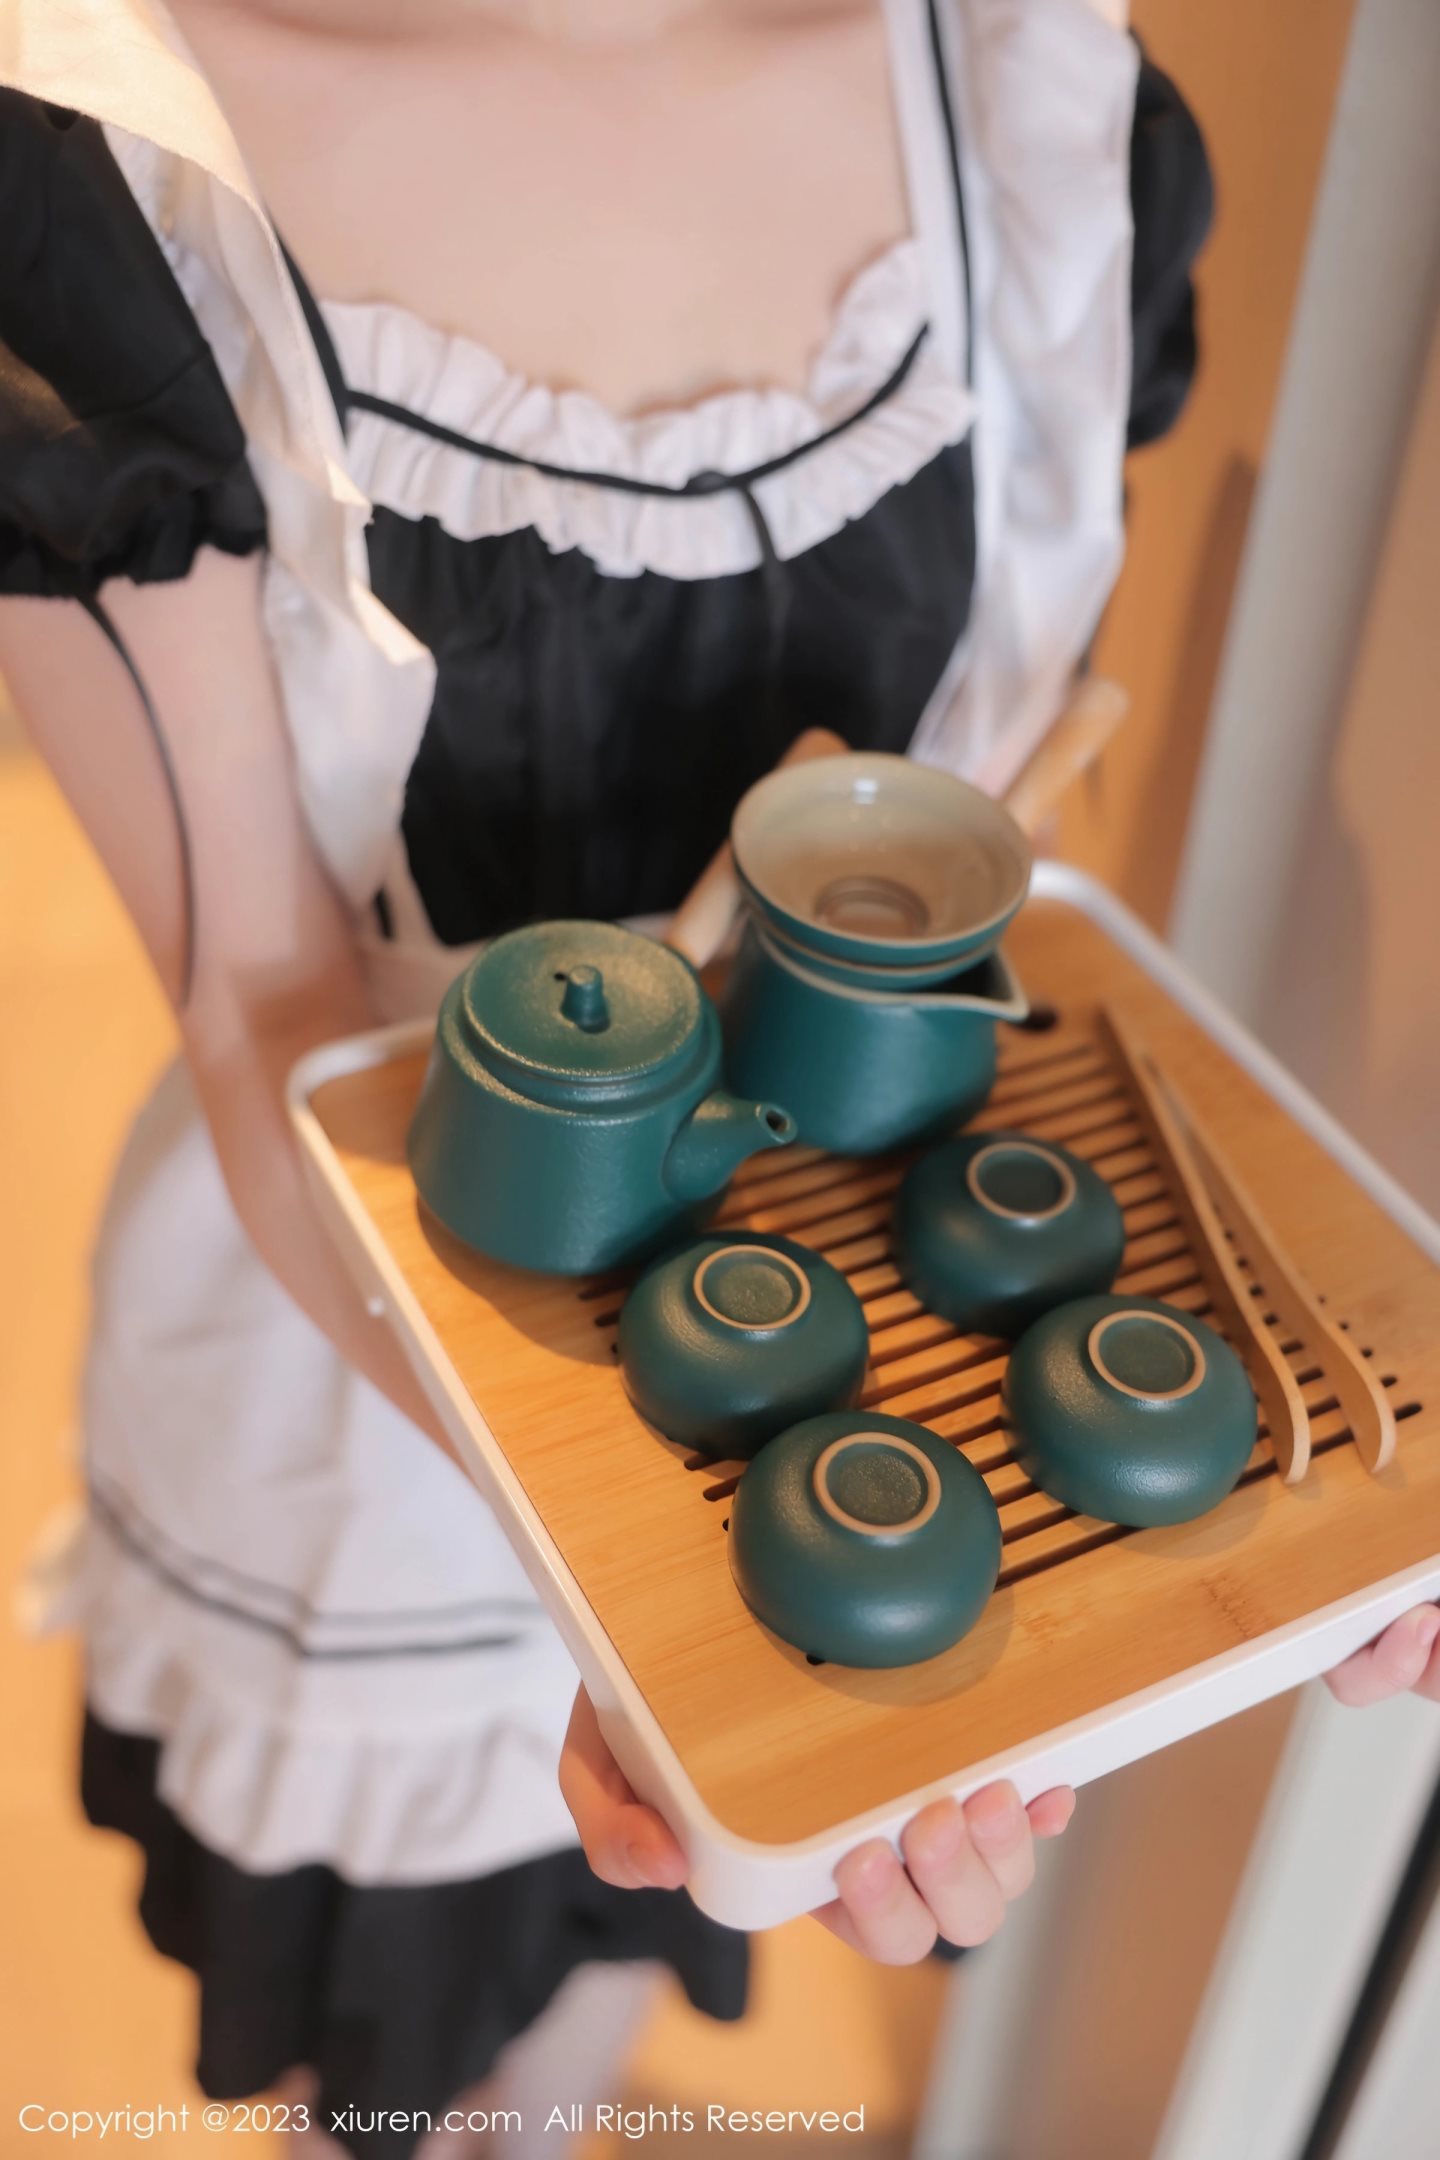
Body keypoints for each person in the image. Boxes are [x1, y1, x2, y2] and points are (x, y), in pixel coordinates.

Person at [2, 2, 1434, 2155]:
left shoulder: (1021, 85)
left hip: (847, 1367)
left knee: (616, 1956)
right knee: (385, 2058)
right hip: (372, 1364)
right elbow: (263, 1007)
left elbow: (973, 863)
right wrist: (660, 1585)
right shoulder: (102, 165)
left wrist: (1241, 1537)